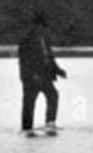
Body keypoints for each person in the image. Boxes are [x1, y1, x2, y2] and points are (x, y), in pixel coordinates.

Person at [18, 9, 67, 137]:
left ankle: (50, 123)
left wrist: (58, 70)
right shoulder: (27, 39)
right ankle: (27, 128)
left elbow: (49, 57)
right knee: (29, 102)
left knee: (53, 95)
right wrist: (31, 75)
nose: (44, 29)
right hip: (31, 77)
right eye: (43, 25)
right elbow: (25, 60)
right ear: (38, 25)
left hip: (44, 75)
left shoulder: (44, 38)